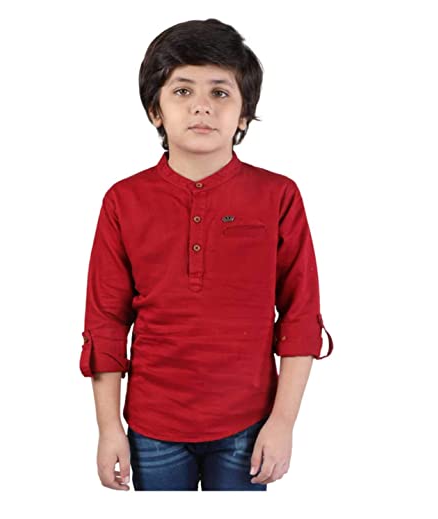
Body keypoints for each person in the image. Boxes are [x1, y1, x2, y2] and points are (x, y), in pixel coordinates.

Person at [79, 18, 334, 492]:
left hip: (249, 424)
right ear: (155, 110)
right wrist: (108, 427)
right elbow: (105, 322)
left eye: (220, 92)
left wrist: (283, 422)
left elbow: (301, 314)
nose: (201, 106)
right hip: (152, 426)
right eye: (182, 91)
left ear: (243, 115)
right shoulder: (123, 201)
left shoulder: (278, 196)